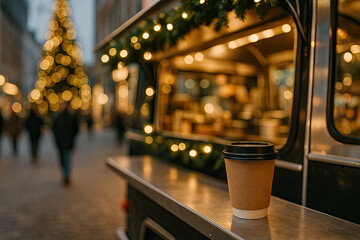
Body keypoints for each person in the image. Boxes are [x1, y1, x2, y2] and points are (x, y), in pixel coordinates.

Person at [52, 104, 79, 185]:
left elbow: (54, 129)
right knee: (66, 159)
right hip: (66, 142)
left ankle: (66, 175)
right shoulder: (69, 118)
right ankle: (66, 175)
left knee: (64, 159)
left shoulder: (60, 118)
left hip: (63, 142)